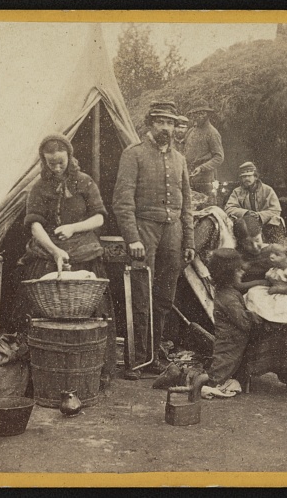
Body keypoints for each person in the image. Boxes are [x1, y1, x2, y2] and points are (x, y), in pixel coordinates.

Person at [17, 134, 117, 389]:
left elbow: (99, 218)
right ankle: (47, 373)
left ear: (70, 157)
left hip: (84, 253)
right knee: (43, 315)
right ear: (44, 161)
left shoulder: (84, 182)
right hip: (48, 254)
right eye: (52, 164)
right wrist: (54, 251)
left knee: (94, 313)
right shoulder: (39, 188)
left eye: (61, 162)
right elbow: (35, 225)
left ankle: (96, 374)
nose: (57, 167)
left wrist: (73, 228)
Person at [113, 101, 196, 372]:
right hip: (144, 232)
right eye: (160, 121)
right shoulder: (133, 154)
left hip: (173, 233)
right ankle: (136, 359)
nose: (166, 127)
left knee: (164, 297)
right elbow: (123, 201)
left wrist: (189, 241)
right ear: (150, 123)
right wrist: (132, 237)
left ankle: (155, 357)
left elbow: (187, 204)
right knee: (140, 294)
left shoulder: (180, 159)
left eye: (170, 122)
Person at [240, 243, 287, 389]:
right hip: (272, 295)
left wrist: (278, 289)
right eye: (271, 254)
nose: (271, 257)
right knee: (255, 297)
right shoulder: (273, 269)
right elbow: (268, 281)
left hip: (286, 297)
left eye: (277, 255)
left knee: (285, 320)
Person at [204, 248, 262, 397]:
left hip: (234, 341)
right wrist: (252, 315)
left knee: (225, 367)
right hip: (231, 343)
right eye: (238, 270)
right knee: (217, 376)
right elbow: (244, 323)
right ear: (228, 274)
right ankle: (181, 376)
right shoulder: (228, 298)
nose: (242, 272)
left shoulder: (228, 291)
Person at [224, 162, 286, 245]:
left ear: (255, 177)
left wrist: (259, 216)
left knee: (276, 220)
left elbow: (276, 209)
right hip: (246, 224)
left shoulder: (267, 190)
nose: (246, 179)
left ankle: (277, 248)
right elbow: (229, 208)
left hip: (264, 223)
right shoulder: (237, 191)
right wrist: (246, 213)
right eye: (243, 177)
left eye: (249, 176)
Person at [183, 99, 224, 201]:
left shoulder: (212, 133)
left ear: (207, 115)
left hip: (206, 179)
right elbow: (185, 151)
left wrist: (202, 168)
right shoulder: (191, 131)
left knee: (206, 206)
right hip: (190, 176)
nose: (198, 116)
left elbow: (219, 157)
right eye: (195, 114)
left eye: (201, 113)